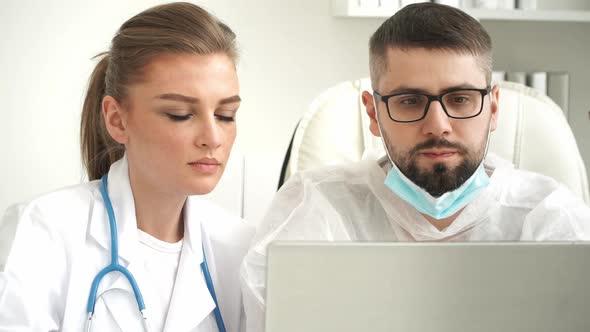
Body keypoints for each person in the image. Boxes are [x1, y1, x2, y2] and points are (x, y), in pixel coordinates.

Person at [239, 3, 590, 331]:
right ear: (374, 113)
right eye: (410, 101)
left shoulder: (551, 217)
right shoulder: (316, 206)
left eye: (460, 98)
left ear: (494, 108)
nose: (438, 124)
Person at [0, 2, 253, 331]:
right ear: (117, 120)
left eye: (225, 115)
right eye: (180, 114)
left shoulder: (242, 249)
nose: (213, 137)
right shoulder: (42, 231)